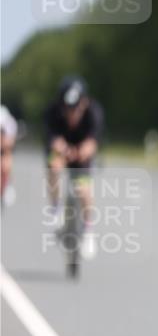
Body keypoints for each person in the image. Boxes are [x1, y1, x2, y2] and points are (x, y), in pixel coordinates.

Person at [44, 76, 103, 258]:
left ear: (84, 103)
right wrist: (62, 148)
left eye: (76, 108)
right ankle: (56, 208)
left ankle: (88, 230)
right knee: (53, 167)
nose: (72, 113)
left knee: (83, 189)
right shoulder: (52, 112)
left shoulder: (94, 112)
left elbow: (93, 142)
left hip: (82, 153)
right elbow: (51, 139)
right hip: (62, 151)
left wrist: (82, 151)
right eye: (67, 109)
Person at [0, 104, 18, 207]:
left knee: (6, 163)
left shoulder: (10, 124)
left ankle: (6, 184)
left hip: (5, 150)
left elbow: (9, 144)